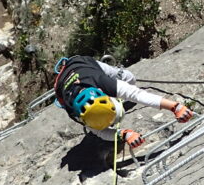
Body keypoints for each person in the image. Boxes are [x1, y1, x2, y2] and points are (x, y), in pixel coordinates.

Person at [53, 56, 194, 148]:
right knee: (127, 87)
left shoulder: (103, 82)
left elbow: (136, 93)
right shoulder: (74, 112)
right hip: (62, 85)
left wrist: (174, 107)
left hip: (82, 63)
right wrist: (124, 134)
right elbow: (99, 132)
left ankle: (118, 76)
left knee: (130, 79)